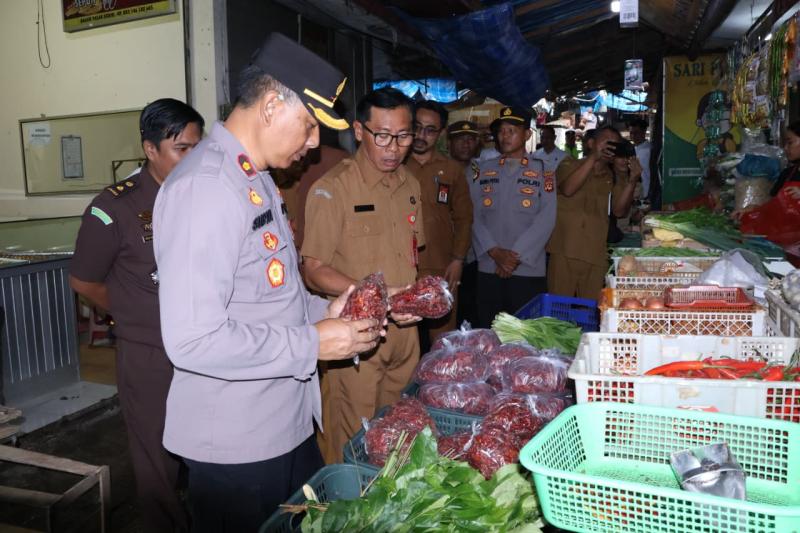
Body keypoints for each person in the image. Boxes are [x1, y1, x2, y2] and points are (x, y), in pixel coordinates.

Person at [152, 33, 383, 531]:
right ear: (273, 105)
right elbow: (193, 339)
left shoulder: (253, 178)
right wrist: (311, 343)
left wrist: (329, 315)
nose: (315, 142)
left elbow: (270, 295)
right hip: (238, 442)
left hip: (285, 423)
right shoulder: (206, 189)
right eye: (310, 125)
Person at [70, 98, 204, 533]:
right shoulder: (115, 207)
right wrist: (134, 317)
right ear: (150, 149)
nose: (191, 159)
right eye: (181, 149)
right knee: (155, 457)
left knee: (204, 442)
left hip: (205, 345)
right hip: (151, 353)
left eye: (196, 149)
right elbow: (85, 281)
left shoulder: (202, 195)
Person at [302, 87, 425, 464]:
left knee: (398, 435)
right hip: (354, 339)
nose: (394, 148)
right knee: (352, 439)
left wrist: (417, 298)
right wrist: (374, 294)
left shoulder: (411, 185)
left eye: (404, 136)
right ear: (359, 131)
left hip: (405, 335)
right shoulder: (333, 189)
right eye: (383, 136)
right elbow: (314, 269)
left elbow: (413, 256)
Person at [469, 106, 556, 328]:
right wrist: (496, 252)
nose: (505, 136)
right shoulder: (483, 170)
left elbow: (547, 218)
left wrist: (513, 258)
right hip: (489, 265)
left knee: (525, 334)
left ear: (527, 135)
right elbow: (474, 214)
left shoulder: (544, 171)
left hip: (527, 267)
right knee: (488, 331)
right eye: (501, 131)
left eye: (512, 130)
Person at [406, 100, 473, 343]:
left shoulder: (452, 170)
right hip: (402, 267)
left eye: (430, 130)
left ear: (441, 133)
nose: (421, 135)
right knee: (404, 340)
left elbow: (464, 217)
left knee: (443, 340)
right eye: (417, 127)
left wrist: (458, 259)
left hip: (442, 266)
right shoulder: (395, 165)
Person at [547, 126, 640, 299]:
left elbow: (619, 211)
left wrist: (631, 180)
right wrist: (593, 157)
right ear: (591, 143)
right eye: (606, 142)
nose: (610, 148)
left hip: (595, 254)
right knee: (558, 310)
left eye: (615, 145)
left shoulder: (613, 176)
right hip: (564, 251)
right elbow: (568, 189)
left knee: (591, 311)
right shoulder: (569, 164)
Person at [447, 120, 480, 328]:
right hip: (445, 255)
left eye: (470, 139)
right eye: (460, 139)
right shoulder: (441, 170)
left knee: (470, 314)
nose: (466, 144)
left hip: (475, 256)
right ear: (449, 143)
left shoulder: (484, 173)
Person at [629, 118, 652, 201]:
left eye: (636, 133)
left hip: (645, 193)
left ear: (644, 132)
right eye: (631, 133)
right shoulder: (635, 148)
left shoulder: (647, 150)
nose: (633, 136)